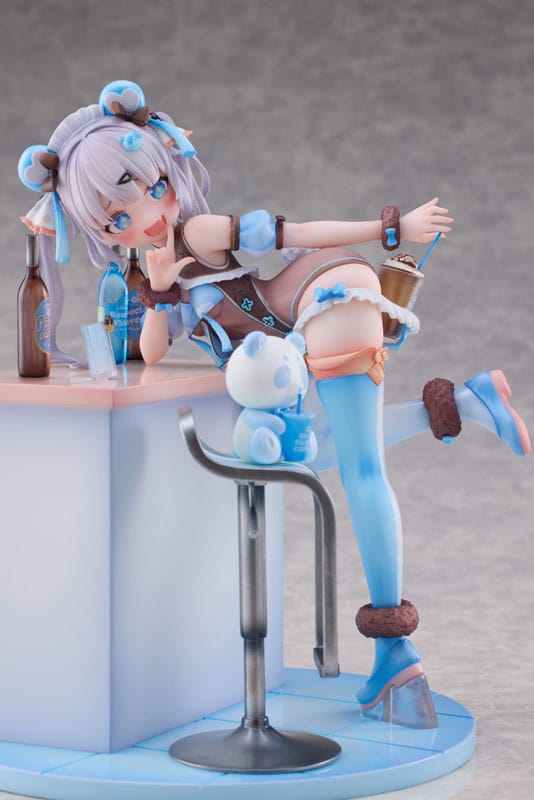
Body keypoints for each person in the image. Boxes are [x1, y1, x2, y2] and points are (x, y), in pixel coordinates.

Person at [18, 80, 530, 728]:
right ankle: (460, 403)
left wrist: (392, 227)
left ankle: (396, 657)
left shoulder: (200, 230)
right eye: (115, 219)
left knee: (361, 470)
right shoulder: (161, 265)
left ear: (169, 171)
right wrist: (159, 289)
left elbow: (294, 230)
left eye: (152, 188)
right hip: (301, 333)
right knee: (320, 455)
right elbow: (151, 351)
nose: (143, 215)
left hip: (319, 295)